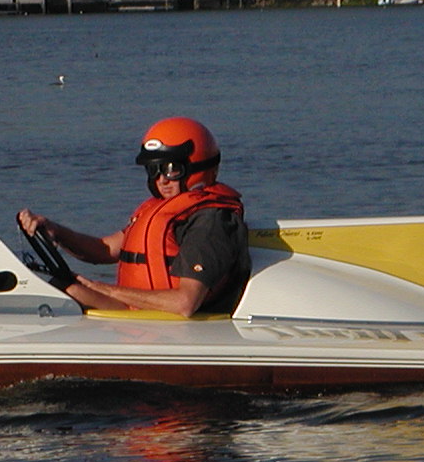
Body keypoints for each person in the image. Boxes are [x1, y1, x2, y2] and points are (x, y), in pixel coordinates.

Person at [17, 116, 250, 318]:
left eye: (171, 169)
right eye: (154, 170)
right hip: (144, 316)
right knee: (62, 287)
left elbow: (185, 303)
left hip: (177, 324)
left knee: (69, 291)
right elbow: (104, 249)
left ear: (197, 166)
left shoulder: (209, 221)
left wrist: (107, 290)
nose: (162, 180)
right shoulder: (159, 210)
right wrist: (54, 230)